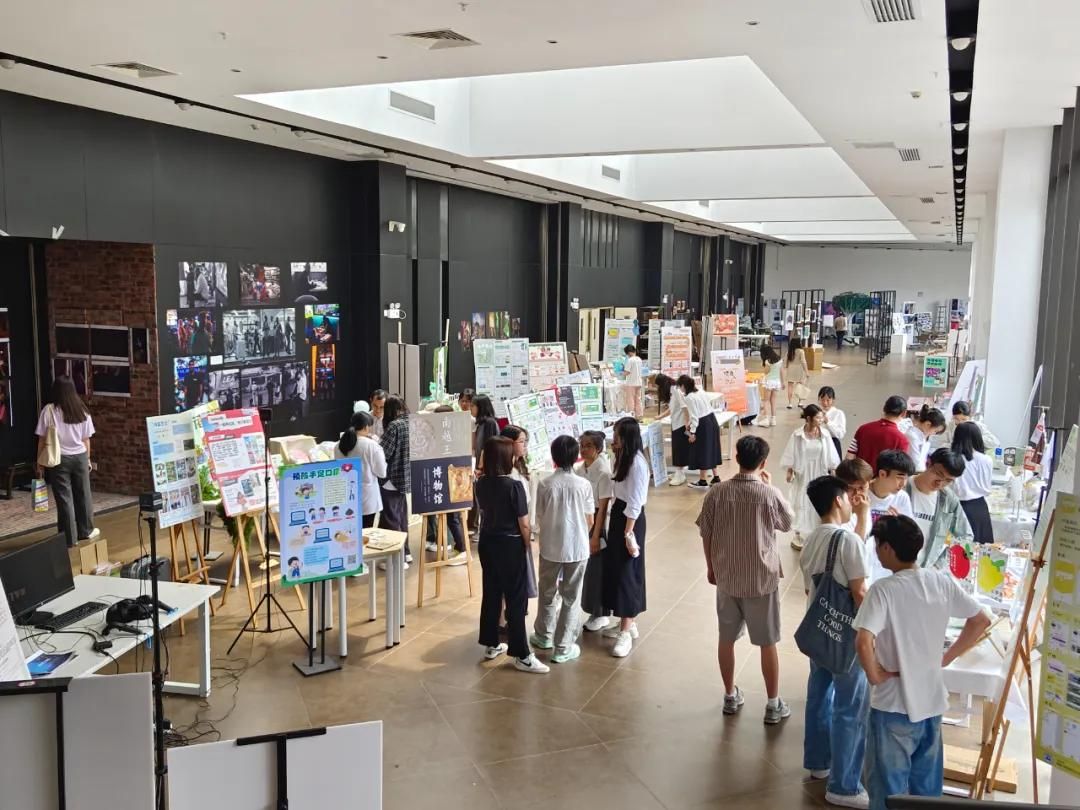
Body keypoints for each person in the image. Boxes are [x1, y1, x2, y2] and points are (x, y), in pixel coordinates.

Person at [855, 515, 990, 810]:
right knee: (926, 791)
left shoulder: (883, 589)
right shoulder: (940, 581)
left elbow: (863, 641)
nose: (877, 552)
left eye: (878, 545)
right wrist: (946, 658)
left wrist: (875, 675)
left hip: (893, 702)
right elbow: (980, 620)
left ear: (888, 548)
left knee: (887, 792)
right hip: (931, 701)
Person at [697, 436, 795, 724]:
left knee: (726, 639)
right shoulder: (768, 494)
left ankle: (730, 695)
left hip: (727, 577)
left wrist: (711, 567)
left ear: (737, 457)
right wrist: (772, 486)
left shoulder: (717, 492)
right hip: (761, 580)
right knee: (767, 642)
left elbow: (706, 532)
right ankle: (773, 704)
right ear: (763, 463)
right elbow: (787, 523)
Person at [800, 476, 870, 809]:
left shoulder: (812, 537)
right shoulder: (848, 540)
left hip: (819, 629)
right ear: (838, 500)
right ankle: (844, 786)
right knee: (850, 707)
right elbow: (860, 592)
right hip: (846, 635)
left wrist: (862, 518)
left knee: (819, 695)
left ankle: (818, 763)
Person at [475, 437, 549, 674]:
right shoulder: (513, 486)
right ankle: (522, 654)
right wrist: (527, 545)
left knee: (492, 593)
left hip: (487, 542)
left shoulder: (481, 483)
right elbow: (524, 523)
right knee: (516, 599)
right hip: (510, 544)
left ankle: (491, 643)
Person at [530, 435, 595, 663]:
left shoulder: (545, 484)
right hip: (577, 547)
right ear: (575, 456)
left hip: (550, 546)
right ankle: (563, 647)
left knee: (547, 592)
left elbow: (539, 515)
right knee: (571, 597)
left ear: (554, 456)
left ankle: (543, 635)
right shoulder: (584, 485)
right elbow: (589, 519)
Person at [602, 417, 650, 658]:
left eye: (617, 435)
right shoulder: (622, 457)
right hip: (619, 516)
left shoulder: (638, 464)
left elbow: (635, 503)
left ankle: (625, 631)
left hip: (630, 520)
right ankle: (627, 623)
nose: (613, 439)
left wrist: (628, 534)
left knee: (627, 572)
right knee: (617, 569)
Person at [35, 377, 99, 547]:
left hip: (58, 459)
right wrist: (88, 459)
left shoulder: (49, 411)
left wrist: (39, 462)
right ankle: (86, 531)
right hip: (80, 457)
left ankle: (69, 538)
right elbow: (86, 440)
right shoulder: (82, 410)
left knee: (65, 498)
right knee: (84, 495)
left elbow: (42, 439)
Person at [782, 404, 840, 551]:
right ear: (808, 418)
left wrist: (833, 470)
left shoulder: (824, 434)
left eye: (821, 417)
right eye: (818, 418)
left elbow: (831, 453)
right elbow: (791, 452)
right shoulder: (797, 435)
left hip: (819, 471)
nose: (821, 420)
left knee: (819, 501)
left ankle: (818, 531)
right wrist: (790, 470)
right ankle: (799, 533)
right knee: (802, 500)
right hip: (804, 472)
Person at [904, 449, 973, 568]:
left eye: (948, 480)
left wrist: (940, 564)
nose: (940, 483)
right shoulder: (901, 488)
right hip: (893, 569)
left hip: (926, 570)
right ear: (928, 464)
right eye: (938, 474)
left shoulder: (948, 499)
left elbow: (966, 537)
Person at [576, 430, 614, 633]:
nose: (583, 449)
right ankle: (590, 610)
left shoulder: (603, 472)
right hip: (582, 522)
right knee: (586, 571)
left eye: (588, 445)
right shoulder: (579, 469)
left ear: (598, 449)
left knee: (597, 572)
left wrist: (596, 535)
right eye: (581, 445)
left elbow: (603, 507)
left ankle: (600, 614)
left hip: (597, 523)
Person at [423, 406, 468, 564]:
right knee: (452, 517)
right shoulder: (448, 435)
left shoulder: (451, 437)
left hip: (452, 481)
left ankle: (462, 549)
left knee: (453, 517)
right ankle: (459, 546)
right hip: (446, 480)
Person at [501, 425, 538, 597]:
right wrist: (526, 536)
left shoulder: (518, 467)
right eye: (521, 441)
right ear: (509, 443)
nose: (525, 445)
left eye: (525, 441)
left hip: (522, 530)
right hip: (515, 532)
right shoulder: (507, 474)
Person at [335, 410, 386, 529]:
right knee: (366, 531)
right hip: (367, 498)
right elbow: (382, 472)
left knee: (351, 530)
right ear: (366, 427)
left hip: (347, 495)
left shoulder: (339, 445)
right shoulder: (371, 445)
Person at [379, 395, 412, 564]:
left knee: (391, 518)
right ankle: (405, 552)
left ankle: (397, 559)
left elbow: (384, 453)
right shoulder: (412, 422)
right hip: (406, 477)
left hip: (391, 477)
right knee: (402, 516)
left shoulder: (394, 426)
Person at [951, 422, 994, 544]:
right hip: (979, 507)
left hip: (956, 505)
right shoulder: (986, 459)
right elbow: (987, 485)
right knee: (980, 547)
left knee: (958, 547)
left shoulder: (952, 458)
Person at [679, 375, 722, 489]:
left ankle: (703, 480)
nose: (680, 389)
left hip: (702, 424)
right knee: (711, 449)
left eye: (680, 386)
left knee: (703, 451)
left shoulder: (689, 397)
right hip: (712, 419)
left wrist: (692, 433)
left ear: (683, 386)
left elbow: (695, 417)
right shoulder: (701, 391)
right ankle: (716, 477)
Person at [847, 395, 911, 471]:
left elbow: (849, 456)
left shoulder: (863, 429)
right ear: (904, 413)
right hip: (882, 478)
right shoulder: (902, 440)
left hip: (860, 476)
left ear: (884, 409)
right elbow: (899, 469)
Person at [655, 374, 689, 486]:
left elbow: (684, 407)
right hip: (676, 423)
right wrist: (660, 417)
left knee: (679, 449)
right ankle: (679, 472)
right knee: (676, 448)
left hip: (681, 424)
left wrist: (687, 423)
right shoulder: (672, 390)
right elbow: (672, 408)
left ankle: (680, 475)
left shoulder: (676, 390)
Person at [933, 401, 1002, 452]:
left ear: (969, 417)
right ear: (953, 416)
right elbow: (941, 444)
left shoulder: (977, 426)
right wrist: (956, 445)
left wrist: (974, 439)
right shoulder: (950, 426)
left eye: (964, 419)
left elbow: (995, 442)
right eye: (956, 419)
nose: (960, 422)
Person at [900, 405, 946, 473]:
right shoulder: (913, 437)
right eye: (935, 431)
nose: (934, 434)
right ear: (927, 424)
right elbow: (916, 464)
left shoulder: (921, 436)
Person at [835, 458, 874, 539]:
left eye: (861, 488)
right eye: (850, 488)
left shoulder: (864, 504)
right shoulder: (835, 514)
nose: (857, 494)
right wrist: (861, 516)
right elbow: (855, 545)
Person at [757, 344, 783, 427]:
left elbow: (766, 372)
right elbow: (781, 371)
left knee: (765, 401)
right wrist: (782, 382)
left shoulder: (767, 361)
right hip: (777, 382)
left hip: (769, 382)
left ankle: (766, 420)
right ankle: (773, 420)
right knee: (773, 401)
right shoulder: (779, 360)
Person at [818, 386, 847, 459]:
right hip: (818, 444)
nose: (825, 403)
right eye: (822, 400)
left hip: (833, 444)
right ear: (819, 399)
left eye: (828, 400)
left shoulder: (838, 413)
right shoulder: (816, 413)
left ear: (833, 400)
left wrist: (828, 422)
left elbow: (840, 434)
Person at [785, 336, 810, 409]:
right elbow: (803, 362)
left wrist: (787, 367)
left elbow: (785, 361)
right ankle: (800, 402)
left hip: (791, 369)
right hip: (799, 369)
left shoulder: (789, 351)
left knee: (790, 387)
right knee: (800, 386)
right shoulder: (801, 351)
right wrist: (807, 372)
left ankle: (790, 403)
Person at [621, 343, 644, 418]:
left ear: (629, 352)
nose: (627, 355)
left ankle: (631, 416)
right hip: (639, 382)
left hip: (631, 383)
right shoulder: (639, 359)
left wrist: (620, 373)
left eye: (627, 353)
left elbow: (627, 372)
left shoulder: (630, 360)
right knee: (638, 399)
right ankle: (639, 415)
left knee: (630, 400)